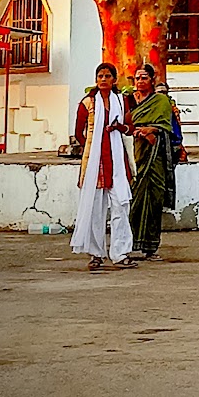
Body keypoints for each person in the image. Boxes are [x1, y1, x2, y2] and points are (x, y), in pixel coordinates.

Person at [71, 62, 134, 272]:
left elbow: (129, 128)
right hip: (95, 162)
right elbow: (79, 133)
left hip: (116, 161)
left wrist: (118, 128)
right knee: (95, 208)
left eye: (108, 76)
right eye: (100, 76)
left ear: (114, 80)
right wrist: (93, 146)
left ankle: (121, 253)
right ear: (96, 79)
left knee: (120, 205)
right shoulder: (87, 102)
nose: (104, 79)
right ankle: (96, 254)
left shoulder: (121, 100)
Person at [126, 63, 178, 260]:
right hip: (136, 152)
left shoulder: (161, 101)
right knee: (135, 199)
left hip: (155, 155)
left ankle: (150, 247)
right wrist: (137, 131)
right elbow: (123, 123)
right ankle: (128, 244)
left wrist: (150, 130)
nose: (140, 81)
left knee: (154, 199)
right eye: (137, 78)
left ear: (152, 80)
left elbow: (166, 126)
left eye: (144, 78)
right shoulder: (129, 100)